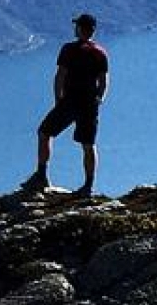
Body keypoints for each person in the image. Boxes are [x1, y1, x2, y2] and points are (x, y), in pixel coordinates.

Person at [24, 13, 110, 197]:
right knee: (88, 144)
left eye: (77, 26)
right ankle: (88, 186)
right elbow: (103, 81)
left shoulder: (69, 49)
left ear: (80, 29)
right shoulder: (100, 53)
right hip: (89, 104)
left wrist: (58, 100)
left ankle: (41, 175)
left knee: (44, 133)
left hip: (70, 101)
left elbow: (60, 76)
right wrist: (99, 99)